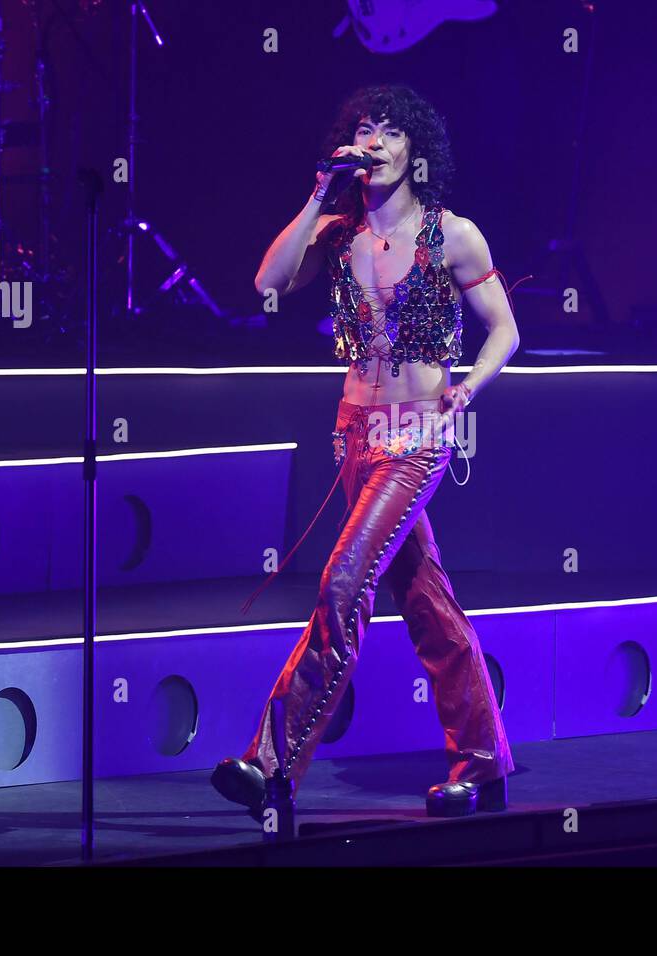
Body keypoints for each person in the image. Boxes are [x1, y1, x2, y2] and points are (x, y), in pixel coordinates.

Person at [211, 84, 521, 820]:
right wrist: (320, 194)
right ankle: (483, 765)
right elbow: (268, 282)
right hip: (355, 435)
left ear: (415, 150)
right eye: (361, 131)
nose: (371, 143)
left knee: (344, 582)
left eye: (386, 133)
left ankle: (270, 762)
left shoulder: (455, 234)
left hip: (416, 436)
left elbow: (505, 329)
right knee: (426, 602)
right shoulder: (339, 232)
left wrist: (468, 388)